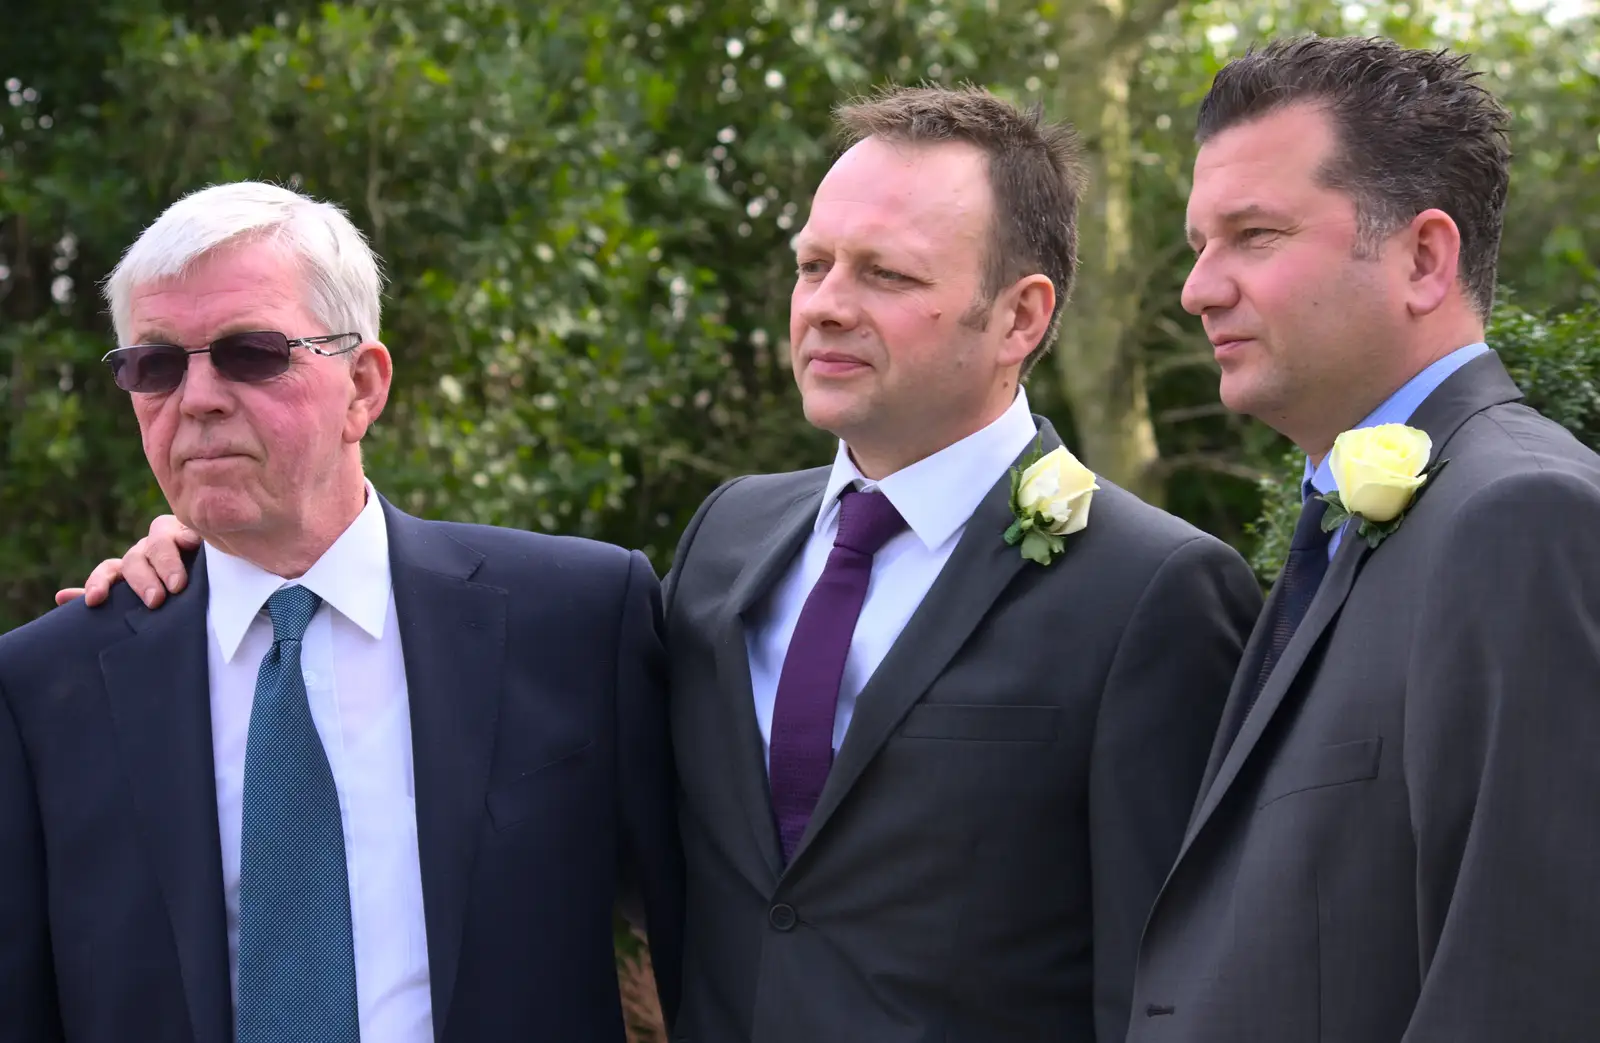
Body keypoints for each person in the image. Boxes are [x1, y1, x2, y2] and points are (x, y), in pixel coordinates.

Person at [67, 88, 1261, 1042]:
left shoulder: (1153, 588)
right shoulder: (730, 540)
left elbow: (1171, 983)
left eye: (884, 275)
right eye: (812, 264)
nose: (825, 306)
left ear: (1020, 317)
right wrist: (227, 560)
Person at [7, 181, 682, 1043]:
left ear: (363, 385)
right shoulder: (46, 688)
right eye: (156, 363)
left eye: (251, 352)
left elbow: (717, 943)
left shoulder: (581, 619)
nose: (199, 396)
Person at [1127, 36, 1600, 1043]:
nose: (1197, 288)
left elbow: (1528, 987)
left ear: (1422, 257)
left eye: (1252, 235)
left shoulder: (1520, 520)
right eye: (1198, 243)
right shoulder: (1351, 527)